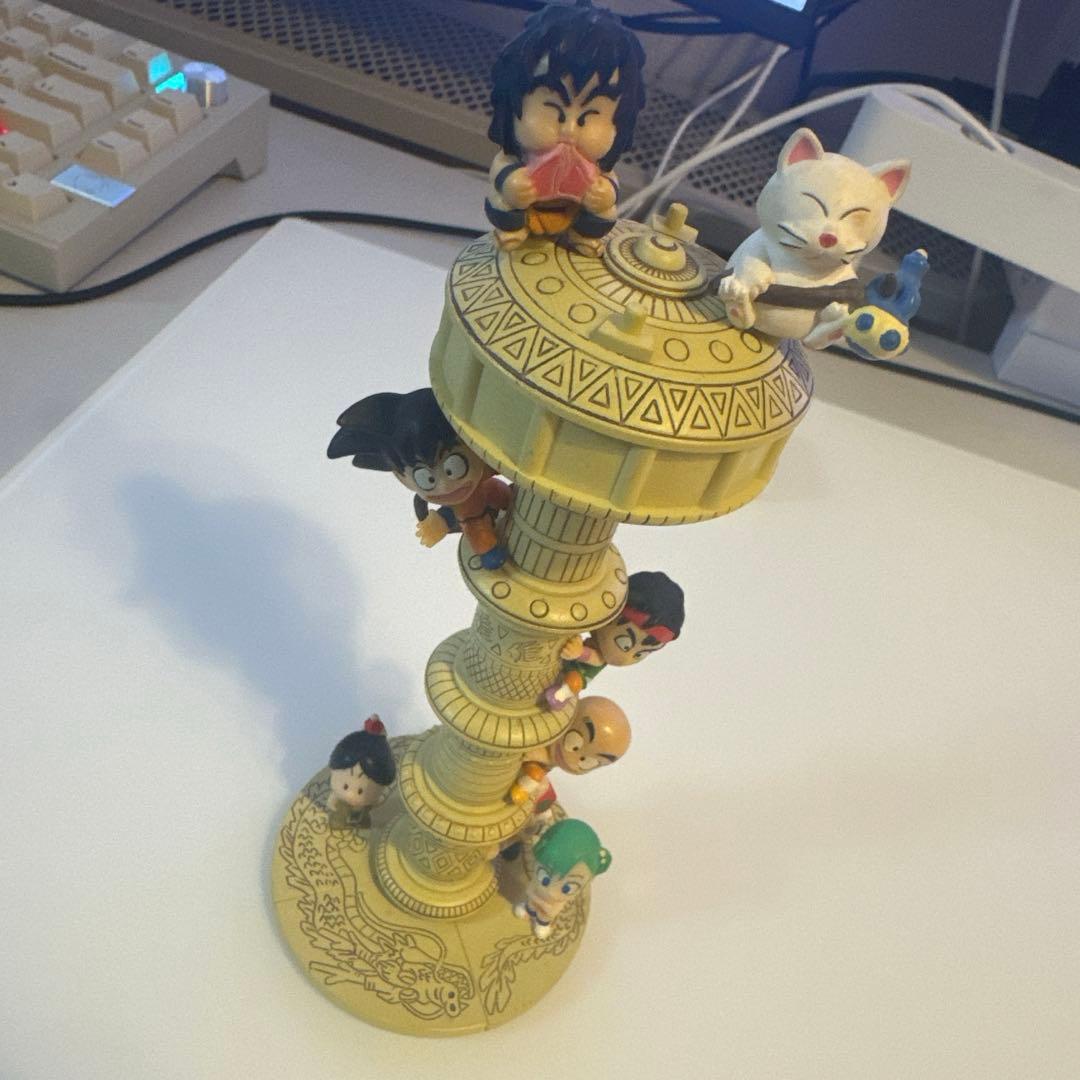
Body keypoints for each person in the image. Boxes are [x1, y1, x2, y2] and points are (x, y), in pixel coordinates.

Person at [485, 0, 646, 256]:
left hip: (571, 214)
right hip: (527, 211)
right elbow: (501, 167)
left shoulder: (597, 167)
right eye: (553, 110)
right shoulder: (517, 156)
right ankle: (512, 231)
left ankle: (583, 236)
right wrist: (511, 183)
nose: (569, 130)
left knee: (606, 212)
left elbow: (611, 183)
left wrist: (604, 194)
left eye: (589, 116)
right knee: (502, 202)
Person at [328, 387, 511, 570]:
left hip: (493, 491)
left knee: (505, 496)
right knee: (483, 540)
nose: (444, 486)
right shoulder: (455, 499)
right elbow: (439, 509)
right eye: (427, 479)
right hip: (473, 519)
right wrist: (439, 522)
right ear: (400, 476)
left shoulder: (484, 464)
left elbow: (504, 466)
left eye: (454, 468)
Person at [544, 570, 685, 708]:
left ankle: (559, 696)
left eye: (640, 654)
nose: (626, 658)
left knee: (574, 682)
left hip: (578, 673)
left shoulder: (601, 657)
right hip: (561, 663)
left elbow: (595, 658)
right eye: (624, 644)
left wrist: (579, 652)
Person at [513, 818, 611, 939]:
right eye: (545, 879)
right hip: (534, 899)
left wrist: (546, 907)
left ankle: (542, 924)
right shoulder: (536, 881)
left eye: (567, 888)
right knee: (531, 905)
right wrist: (533, 895)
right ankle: (529, 911)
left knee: (544, 916)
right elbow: (530, 889)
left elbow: (552, 910)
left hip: (548, 909)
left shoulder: (557, 899)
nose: (551, 892)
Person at [326, 715, 397, 829]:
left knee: (363, 818)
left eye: (360, 791)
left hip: (364, 808)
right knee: (339, 817)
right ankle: (338, 822)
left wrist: (374, 801)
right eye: (345, 786)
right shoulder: (340, 797)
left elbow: (377, 801)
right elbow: (332, 802)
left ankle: (362, 823)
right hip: (343, 806)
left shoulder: (368, 801)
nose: (352, 795)